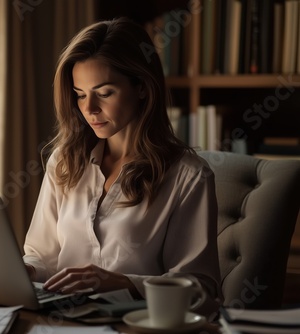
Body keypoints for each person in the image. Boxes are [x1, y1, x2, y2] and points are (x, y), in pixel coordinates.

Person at [23, 17, 222, 315]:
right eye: (80, 95)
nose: (88, 109)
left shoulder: (188, 176)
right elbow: (41, 255)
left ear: (141, 87)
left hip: (135, 323)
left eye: (104, 93)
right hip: (61, 319)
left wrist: (122, 282)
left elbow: (200, 289)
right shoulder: (65, 161)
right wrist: (23, 272)